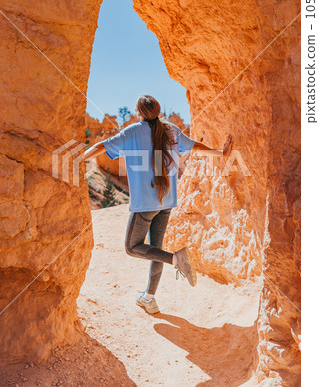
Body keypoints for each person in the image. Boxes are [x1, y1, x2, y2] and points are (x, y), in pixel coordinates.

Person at [84, 94, 233, 314]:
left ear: (138, 113)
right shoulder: (171, 129)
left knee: (132, 247)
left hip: (146, 204)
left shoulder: (132, 132)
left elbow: (101, 145)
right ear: (158, 111)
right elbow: (194, 145)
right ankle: (149, 298)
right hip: (167, 202)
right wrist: (220, 153)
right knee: (155, 249)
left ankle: (177, 259)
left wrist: (78, 158)